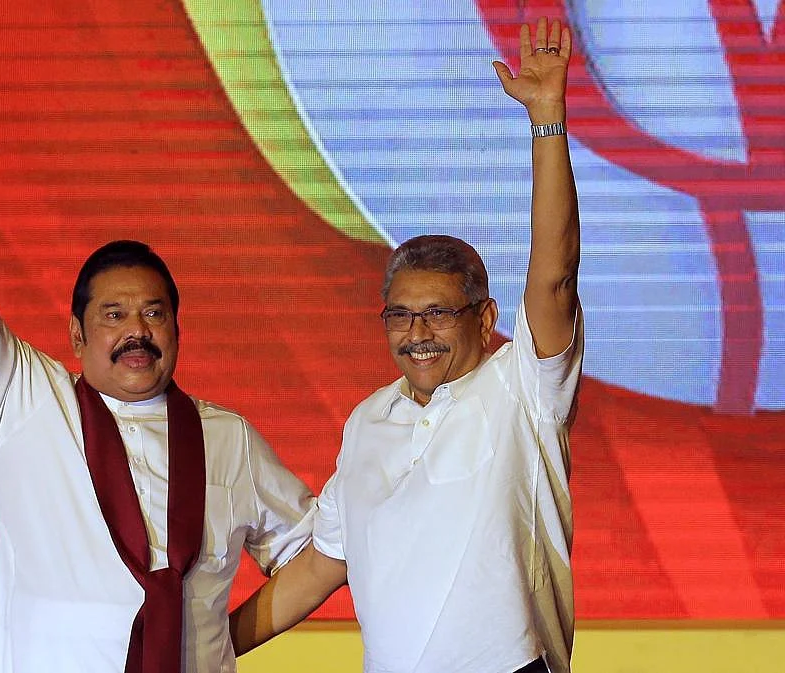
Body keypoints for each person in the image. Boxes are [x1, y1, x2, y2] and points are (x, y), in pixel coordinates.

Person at [0, 57, 317, 673]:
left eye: (154, 314)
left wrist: (215, 641)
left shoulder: (228, 438)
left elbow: (316, 554)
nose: (137, 330)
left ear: (178, 329)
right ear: (77, 335)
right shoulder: (22, 400)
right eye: (114, 315)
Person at [230, 17, 583, 673]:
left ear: (486, 320)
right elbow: (320, 566)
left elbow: (555, 274)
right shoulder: (368, 421)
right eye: (401, 315)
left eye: (438, 313)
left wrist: (547, 120)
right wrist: (203, 649)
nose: (417, 332)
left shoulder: (524, 389)